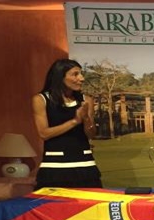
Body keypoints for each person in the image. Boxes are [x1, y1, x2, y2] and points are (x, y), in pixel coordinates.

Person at [32, 58, 102, 189]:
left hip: (85, 165)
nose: (81, 78)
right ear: (60, 77)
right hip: (54, 168)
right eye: (75, 74)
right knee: (52, 208)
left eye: (81, 74)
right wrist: (75, 121)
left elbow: (91, 134)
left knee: (90, 207)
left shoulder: (86, 100)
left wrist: (86, 118)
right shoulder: (41, 100)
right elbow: (44, 133)